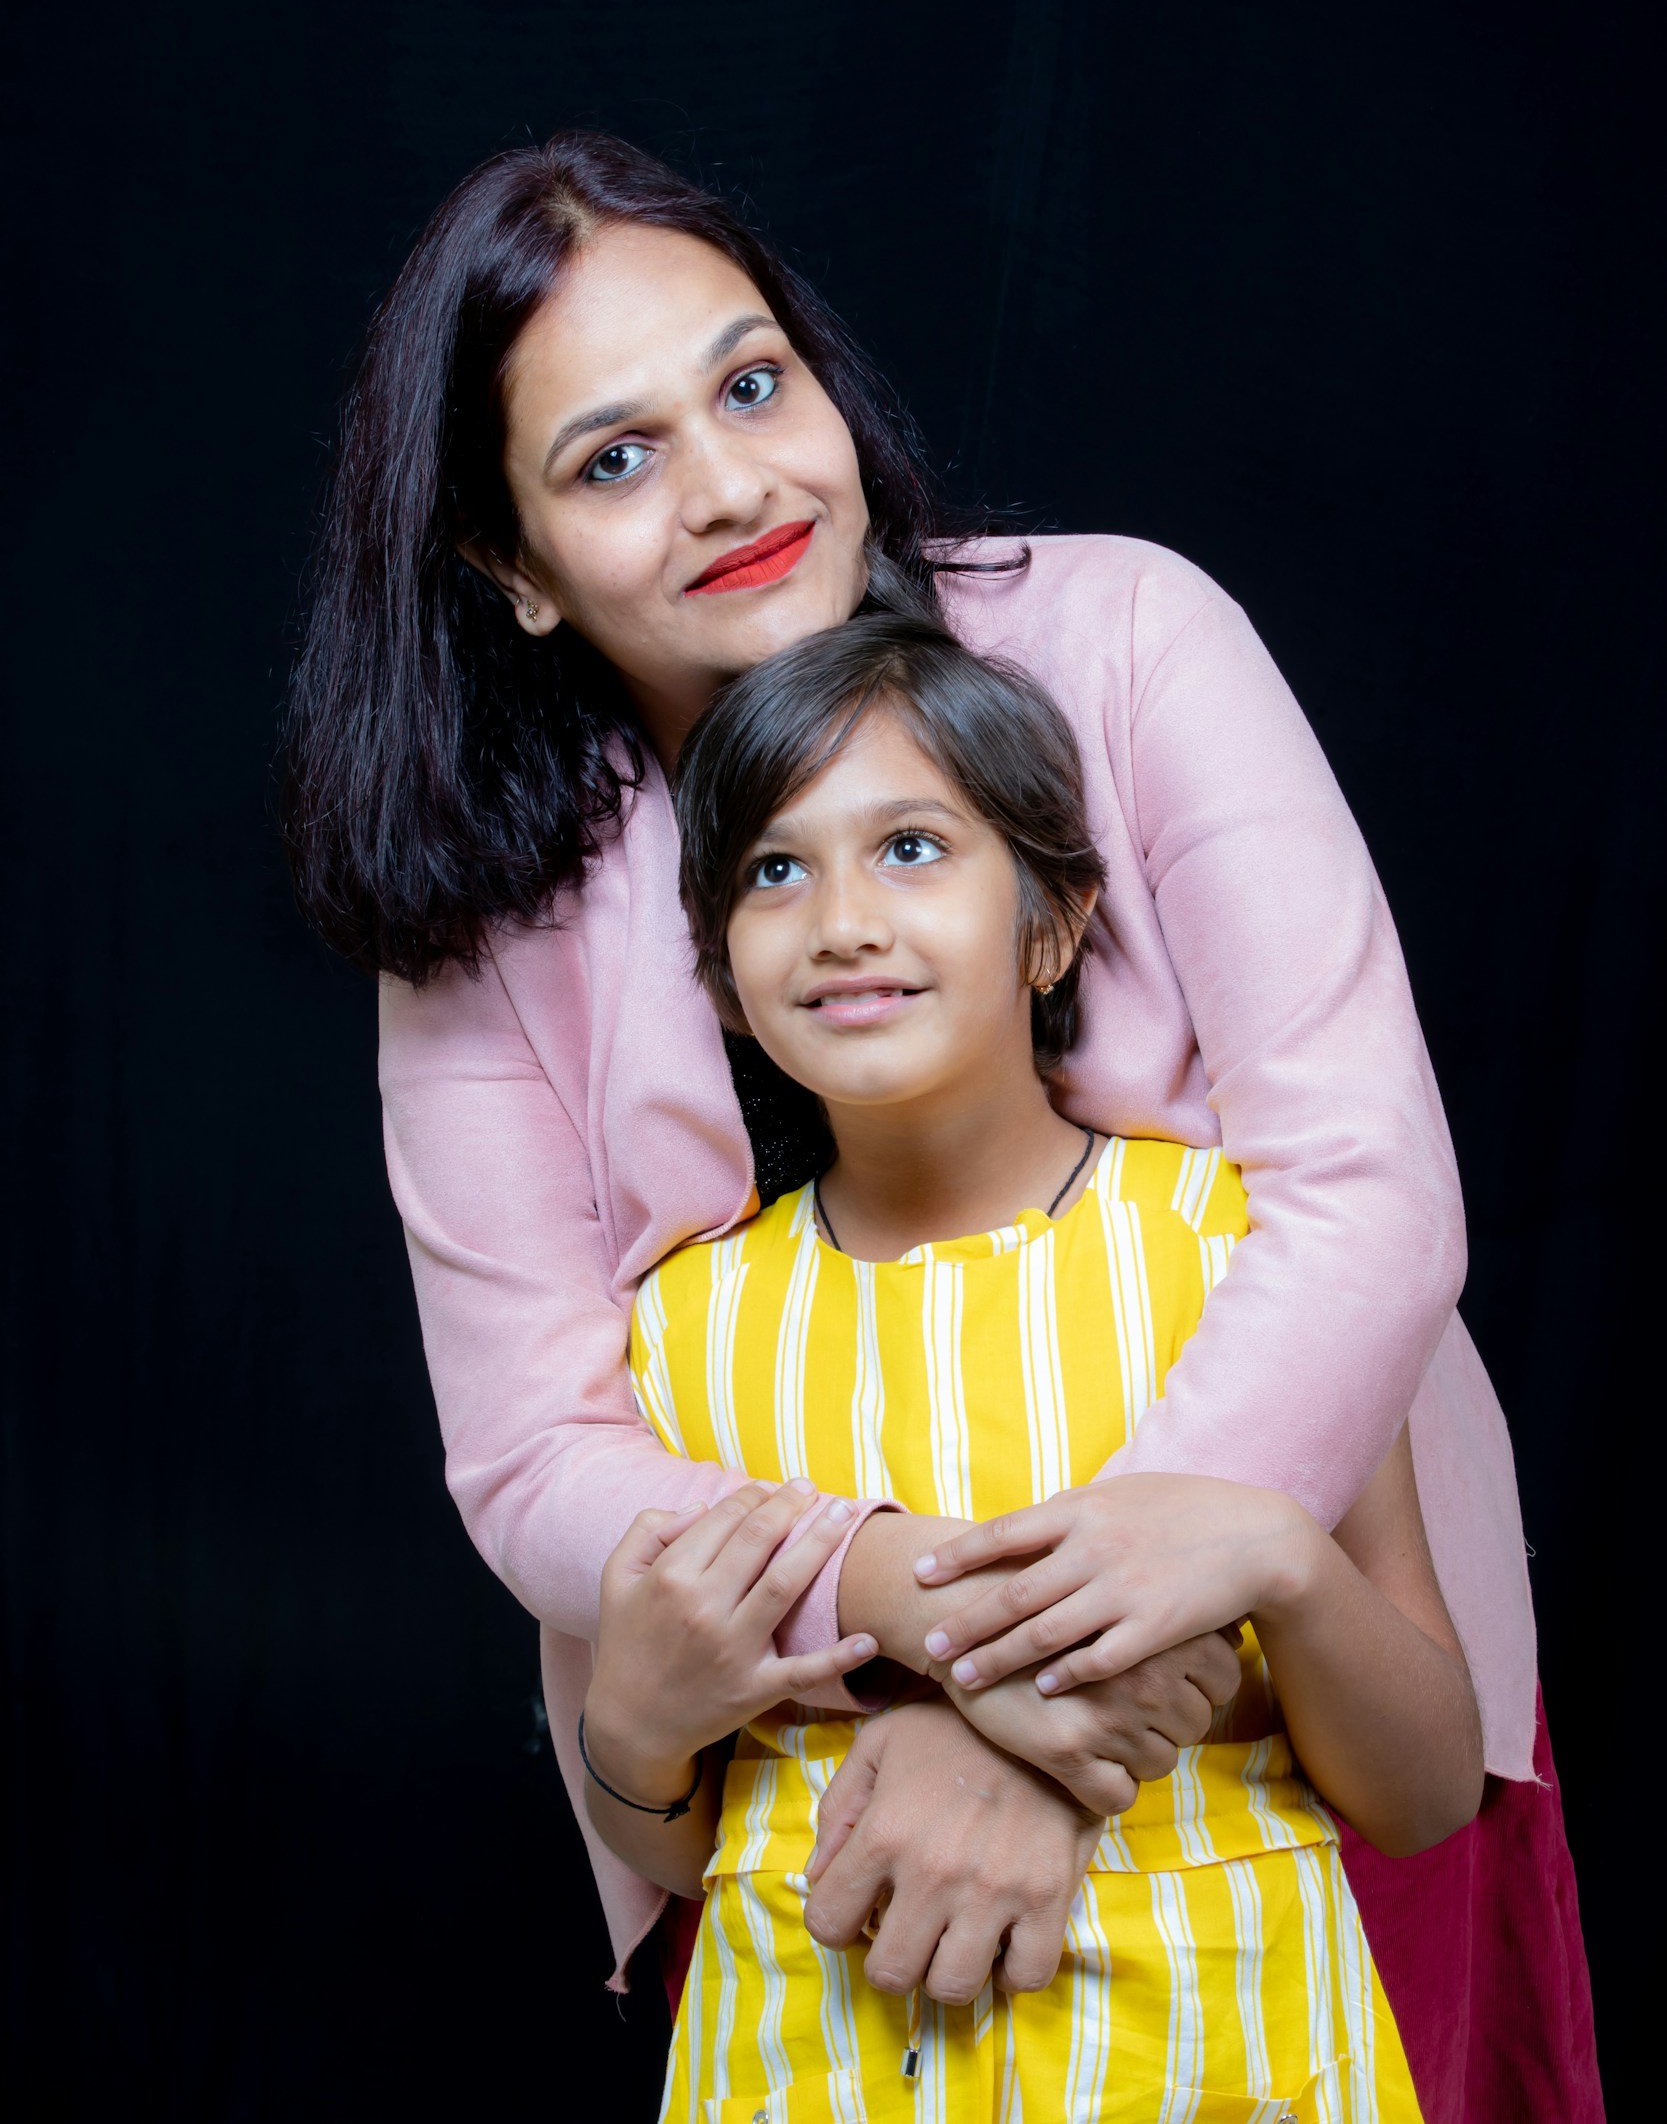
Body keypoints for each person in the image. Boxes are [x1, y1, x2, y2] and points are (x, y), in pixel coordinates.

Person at [286, 132, 1598, 2119]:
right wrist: (899, 1609)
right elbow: (538, 1447)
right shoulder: (486, 909)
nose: (730, 484)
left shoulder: (1132, 639)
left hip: (1261, 1723)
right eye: (611, 457)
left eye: (751, 383)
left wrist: (1043, 1701)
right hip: (808, 1797)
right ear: (510, 566)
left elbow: (1365, 1201)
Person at [584, 611, 1485, 2118]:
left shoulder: (1244, 1257)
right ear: (724, 979)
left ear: (1054, 925)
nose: (844, 920)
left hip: (1226, 2070)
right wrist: (636, 1728)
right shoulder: (674, 1336)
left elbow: (1425, 1792)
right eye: (773, 871)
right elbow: (684, 1840)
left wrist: (1283, 1560)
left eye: (915, 848)